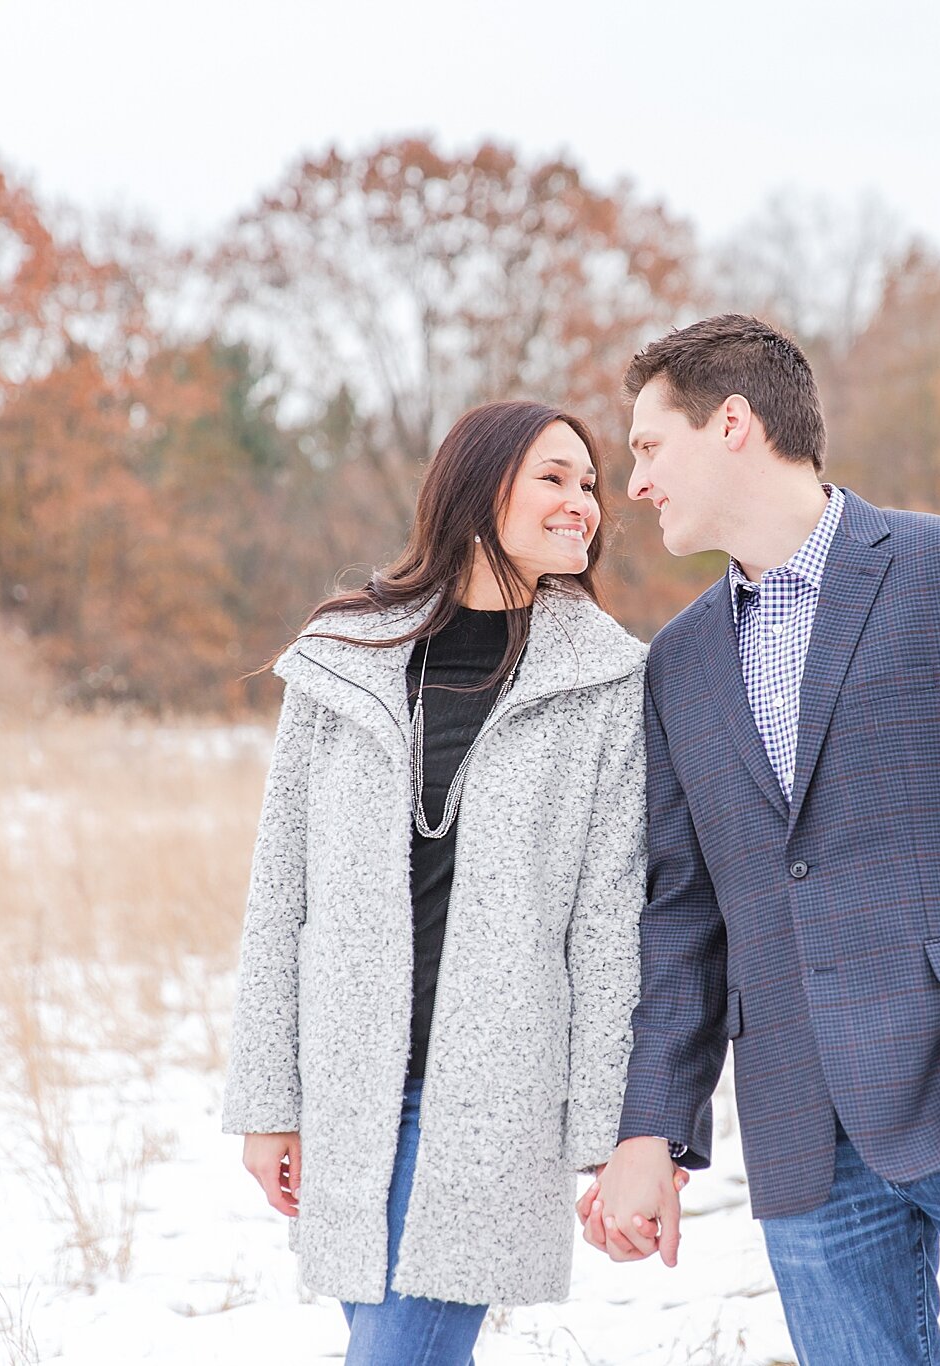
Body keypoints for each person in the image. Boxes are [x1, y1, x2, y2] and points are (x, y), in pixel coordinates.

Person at [581, 316, 940, 1364]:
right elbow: (681, 919)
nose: (635, 483)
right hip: (801, 1128)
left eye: (649, 447)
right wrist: (648, 1130)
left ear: (734, 424)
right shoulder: (679, 662)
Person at [222, 399, 670, 1365]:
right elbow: (280, 898)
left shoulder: (609, 682)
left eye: (588, 485)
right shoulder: (345, 655)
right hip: (350, 1091)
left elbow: (605, 929)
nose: (582, 504)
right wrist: (269, 1103)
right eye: (554, 478)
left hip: (496, 1097)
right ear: (477, 488)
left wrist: (610, 1140)